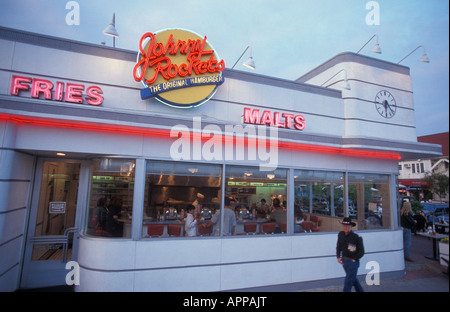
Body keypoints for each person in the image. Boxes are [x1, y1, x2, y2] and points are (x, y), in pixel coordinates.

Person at [336, 217, 365, 292]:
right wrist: (338, 256)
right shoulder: (340, 234)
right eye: (345, 226)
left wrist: (354, 259)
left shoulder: (356, 236)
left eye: (348, 226)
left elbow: (361, 251)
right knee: (353, 280)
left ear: (351, 226)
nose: (346, 227)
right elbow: (338, 246)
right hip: (345, 261)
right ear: (343, 226)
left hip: (353, 263)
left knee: (348, 282)